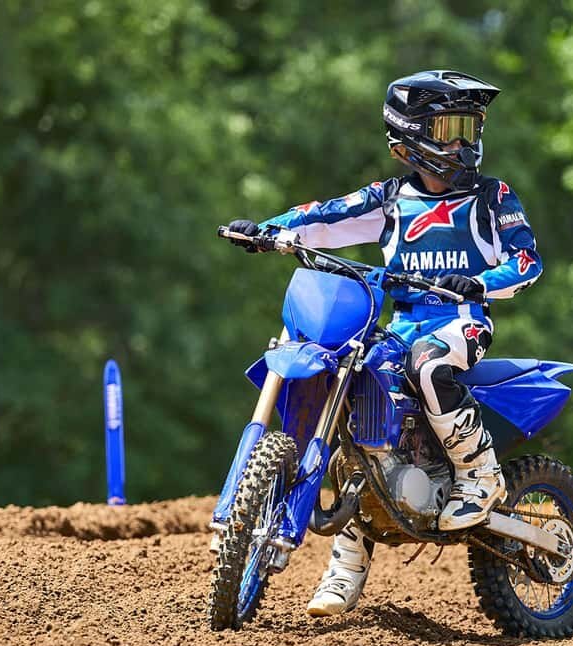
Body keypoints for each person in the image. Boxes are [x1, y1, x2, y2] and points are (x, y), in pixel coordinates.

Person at [225, 69, 543, 616]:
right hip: (399, 323)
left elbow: (527, 261)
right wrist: (267, 231)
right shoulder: (389, 199)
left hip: (460, 321)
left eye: (469, 128)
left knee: (427, 365)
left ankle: (478, 473)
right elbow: (324, 216)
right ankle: (346, 565)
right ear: (410, 138)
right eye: (449, 129)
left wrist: (479, 282)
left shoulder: (492, 197)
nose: (463, 142)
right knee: (355, 400)